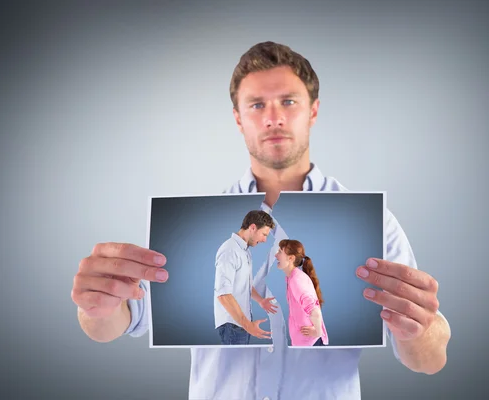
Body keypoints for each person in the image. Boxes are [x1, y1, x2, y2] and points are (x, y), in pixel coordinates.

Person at [71, 41, 451, 399]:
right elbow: (120, 318)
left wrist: (423, 326)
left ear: (313, 110)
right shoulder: (190, 226)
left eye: (288, 101)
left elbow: (429, 359)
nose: (273, 118)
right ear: (238, 118)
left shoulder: (371, 223)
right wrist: (96, 307)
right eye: (256, 105)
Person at [214, 210, 279, 345]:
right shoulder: (230, 250)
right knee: (235, 366)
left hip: (241, 324)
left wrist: (260, 301)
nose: (264, 240)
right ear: (253, 227)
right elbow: (223, 294)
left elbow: (245, 285)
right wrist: (248, 326)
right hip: (232, 325)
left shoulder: (244, 251)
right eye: (264, 234)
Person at [276, 239, 328, 347]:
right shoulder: (292, 278)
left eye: (280, 252)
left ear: (291, 258)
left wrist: (318, 332)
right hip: (304, 344)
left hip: (310, 344)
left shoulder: (297, 280)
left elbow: (315, 311)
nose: (276, 255)